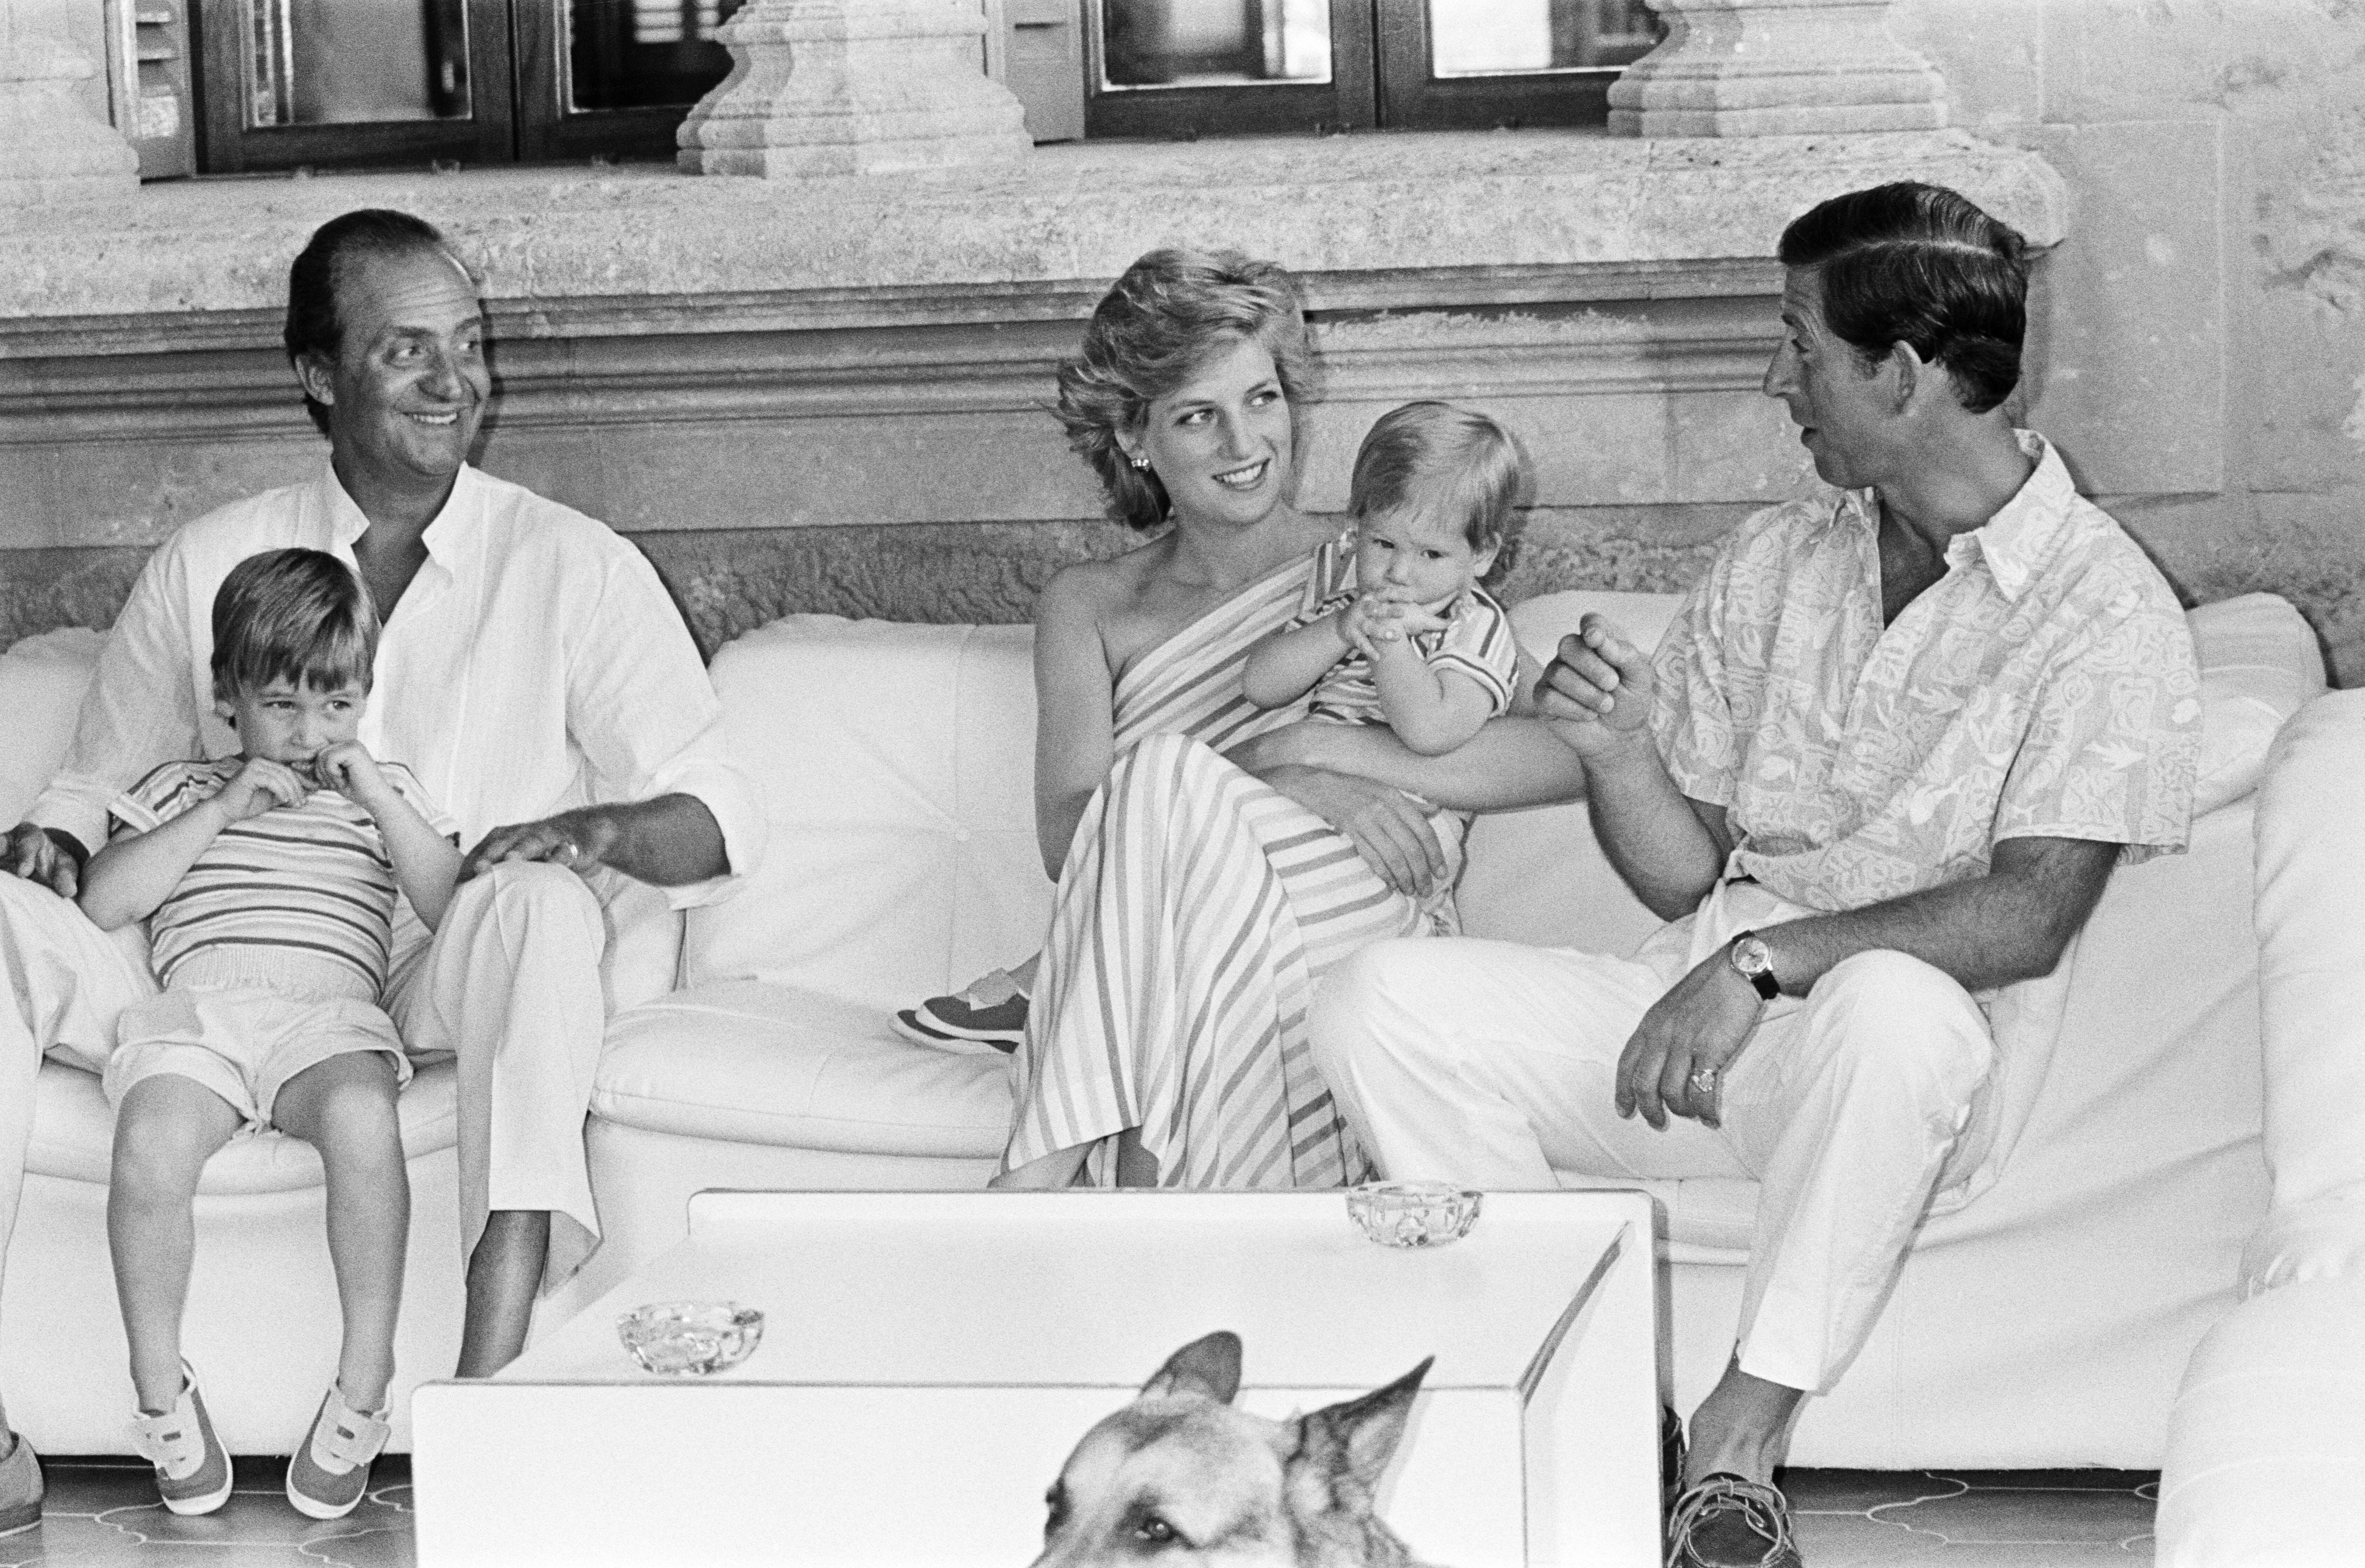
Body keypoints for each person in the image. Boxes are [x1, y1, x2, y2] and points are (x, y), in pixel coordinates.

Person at [1305, 182, 2201, 1568]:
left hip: (1881, 1070)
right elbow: (1686, 877)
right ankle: (1601, 1404)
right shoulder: (1779, 553)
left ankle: (1730, 1446)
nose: (1770, 376)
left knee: (1894, 1004)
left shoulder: (2102, 604)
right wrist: (1613, 753)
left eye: (1797, 345)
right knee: (1375, 997)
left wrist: (1762, 963)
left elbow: (2028, 912)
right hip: (1697, 1022)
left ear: (1899, 376)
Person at [0, 208, 764, 1518]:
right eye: (408, 350)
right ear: (319, 373)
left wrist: (592, 834)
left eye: (467, 346)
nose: (453, 381)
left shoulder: (572, 563)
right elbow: (97, 782)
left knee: (533, 901)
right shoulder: (211, 560)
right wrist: (54, 842)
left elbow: (714, 810)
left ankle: (490, 1387)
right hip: (216, 950)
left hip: (433, 949)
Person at [990, 314, 1586, 1193]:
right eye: (1198, 415)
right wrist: (1284, 772)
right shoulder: (1090, 603)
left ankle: (1037, 1178)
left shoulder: (1379, 558)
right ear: (1134, 436)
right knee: (1158, 782)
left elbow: (1569, 754)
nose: (1245, 441)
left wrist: (1333, 752)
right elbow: (1070, 840)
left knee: (1160, 772)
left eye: (1262, 398)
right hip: (1183, 917)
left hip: (1355, 905)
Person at [80, 549, 456, 1520]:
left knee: (364, 1122)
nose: (308, 733)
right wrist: (220, 807)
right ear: (227, 697)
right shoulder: (178, 789)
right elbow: (105, 896)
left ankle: (363, 1383)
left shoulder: (386, 795)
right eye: (282, 705)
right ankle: (160, 1394)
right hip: (200, 1014)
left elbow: (457, 907)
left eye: (335, 706)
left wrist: (374, 792)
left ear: (364, 698)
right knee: (151, 1141)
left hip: (327, 1014)